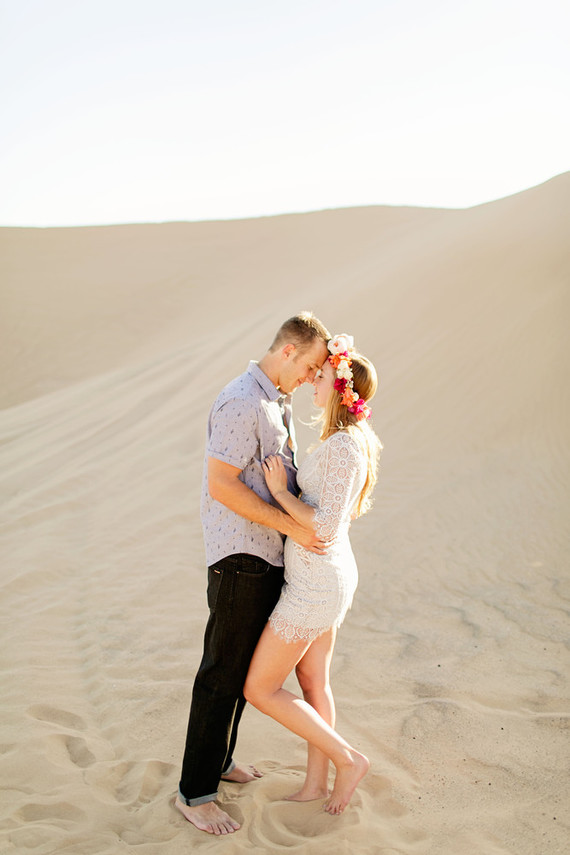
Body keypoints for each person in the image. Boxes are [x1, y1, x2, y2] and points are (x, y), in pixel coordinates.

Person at [175, 312, 331, 835]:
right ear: (288, 351)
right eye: (309, 367)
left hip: (266, 557)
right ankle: (194, 793)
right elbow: (222, 484)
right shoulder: (244, 400)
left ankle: (219, 762)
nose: (311, 378)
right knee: (220, 675)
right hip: (240, 557)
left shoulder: (275, 402)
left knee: (242, 675)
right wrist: (287, 522)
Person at [243, 333, 382, 816]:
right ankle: (315, 784)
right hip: (325, 575)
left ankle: (347, 759)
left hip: (317, 583)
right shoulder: (341, 441)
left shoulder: (345, 445)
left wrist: (280, 492)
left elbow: (325, 521)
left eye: (320, 376)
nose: (313, 382)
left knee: (259, 688)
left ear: (340, 390)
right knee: (313, 683)